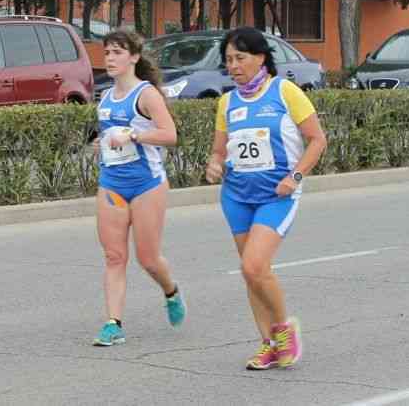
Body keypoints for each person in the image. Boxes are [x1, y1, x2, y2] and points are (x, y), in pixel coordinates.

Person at [205, 27, 327, 370]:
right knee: (252, 274)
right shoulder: (227, 102)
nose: (234, 65)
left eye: (240, 58)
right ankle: (268, 344)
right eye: (228, 60)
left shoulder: (285, 92)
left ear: (261, 57)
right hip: (237, 196)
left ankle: (283, 330)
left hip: (277, 195)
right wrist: (214, 165)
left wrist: (296, 176)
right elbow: (218, 152)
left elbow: (317, 140)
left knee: (253, 266)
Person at [92, 29, 186, 346]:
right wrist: (102, 144)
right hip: (111, 183)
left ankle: (171, 291)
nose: (110, 58)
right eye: (107, 53)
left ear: (133, 57)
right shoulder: (105, 99)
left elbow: (170, 135)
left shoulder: (146, 95)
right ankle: (112, 323)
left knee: (148, 259)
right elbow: (111, 136)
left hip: (147, 184)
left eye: (117, 52)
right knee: (114, 257)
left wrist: (134, 135)